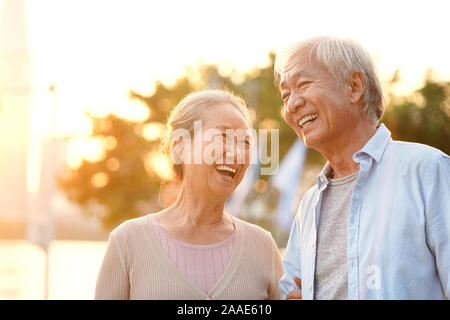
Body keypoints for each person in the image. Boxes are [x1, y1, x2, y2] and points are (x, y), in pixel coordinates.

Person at [274, 36, 450, 300]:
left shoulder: (427, 170)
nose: (292, 103)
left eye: (304, 84)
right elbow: (289, 290)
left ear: (354, 87)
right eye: (285, 94)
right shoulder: (309, 203)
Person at [95, 89, 283, 300]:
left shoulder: (262, 246)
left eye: (246, 143)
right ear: (181, 147)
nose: (237, 153)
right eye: (223, 136)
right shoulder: (128, 243)